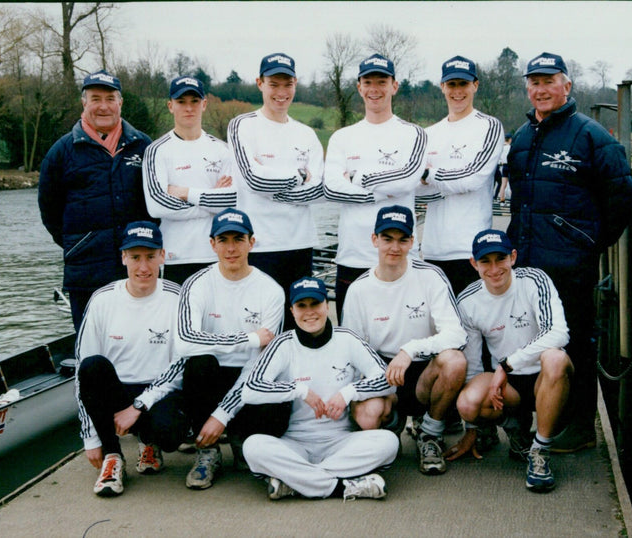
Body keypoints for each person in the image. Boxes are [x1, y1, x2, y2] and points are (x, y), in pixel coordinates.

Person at [506, 52, 632, 452]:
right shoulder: (523, 138)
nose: (541, 89)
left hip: (570, 269)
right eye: (534, 82)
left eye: (549, 81)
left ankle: (579, 428)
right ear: (528, 88)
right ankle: (537, 420)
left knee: (574, 344)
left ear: (567, 85)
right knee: (529, 344)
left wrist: (587, 245)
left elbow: (620, 201)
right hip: (527, 267)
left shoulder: (592, 137)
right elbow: (518, 203)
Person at [241, 276, 399, 501]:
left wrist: (348, 393)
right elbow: (251, 389)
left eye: (315, 304)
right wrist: (299, 390)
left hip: (341, 441)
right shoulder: (282, 344)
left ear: (327, 305)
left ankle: (297, 482)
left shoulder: (347, 339)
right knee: (253, 447)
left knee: (388, 443)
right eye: (301, 306)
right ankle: (342, 487)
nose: (309, 312)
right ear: (292, 311)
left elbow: (388, 380)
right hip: (294, 443)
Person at [341, 205, 467, 475]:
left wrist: (410, 349)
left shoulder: (431, 276)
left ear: (412, 241)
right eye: (387, 238)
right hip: (383, 372)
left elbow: (457, 334)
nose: (394, 247)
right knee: (366, 414)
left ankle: (430, 433)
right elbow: (350, 352)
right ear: (374, 240)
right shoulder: (358, 290)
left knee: (454, 361)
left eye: (402, 239)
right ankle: (391, 423)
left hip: (423, 370)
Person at [450, 229, 573, 492]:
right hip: (509, 387)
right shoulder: (468, 301)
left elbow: (559, 332)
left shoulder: (534, 280)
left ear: (513, 257)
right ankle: (516, 431)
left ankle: (540, 452)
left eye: (500, 259)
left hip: (545, 379)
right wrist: (472, 428)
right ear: (474, 264)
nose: (494, 269)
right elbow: (471, 365)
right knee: (468, 403)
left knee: (555, 358)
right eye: (485, 261)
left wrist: (507, 364)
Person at [175, 208, 290, 490]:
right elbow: (184, 342)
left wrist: (222, 415)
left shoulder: (271, 290)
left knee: (278, 405)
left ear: (252, 242)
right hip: (211, 374)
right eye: (223, 239)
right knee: (199, 362)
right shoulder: (196, 284)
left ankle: (241, 440)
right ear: (212, 244)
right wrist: (248, 339)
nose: (230, 248)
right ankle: (208, 452)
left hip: (249, 377)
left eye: (238, 239)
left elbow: (260, 364)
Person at [75, 221, 189, 497]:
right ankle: (114, 456)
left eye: (151, 257)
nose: (143, 267)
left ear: (163, 256)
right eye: (135, 257)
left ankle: (150, 441)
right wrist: (90, 437)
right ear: (123, 257)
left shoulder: (179, 297)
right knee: (92, 367)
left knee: (171, 433)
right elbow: (81, 369)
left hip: (158, 392)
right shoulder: (102, 300)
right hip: (117, 392)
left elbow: (183, 365)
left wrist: (139, 405)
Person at [39, 70, 153, 332]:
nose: (103, 106)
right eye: (96, 98)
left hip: (138, 268)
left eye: (110, 98)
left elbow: (156, 206)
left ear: (120, 102)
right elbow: (50, 211)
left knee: (141, 339)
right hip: (86, 270)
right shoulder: (62, 152)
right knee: (92, 347)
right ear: (84, 102)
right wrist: (79, 243)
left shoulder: (143, 146)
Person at [323, 53, 426, 317]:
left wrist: (357, 178)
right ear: (359, 87)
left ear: (395, 86)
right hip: (352, 257)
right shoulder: (342, 137)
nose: (375, 89)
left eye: (382, 81)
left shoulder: (414, 133)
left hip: (398, 258)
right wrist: (383, 189)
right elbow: (331, 188)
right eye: (368, 82)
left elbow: (408, 178)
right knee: (351, 340)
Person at [227, 53, 324, 327]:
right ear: (259, 83)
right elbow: (253, 180)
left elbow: (317, 192)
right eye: (274, 84)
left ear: (295, 84)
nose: (281, 93)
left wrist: (272, 184)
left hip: (300, 245)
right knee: (261, 327)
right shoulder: (242, 125)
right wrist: (299, 175)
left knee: (299, 329)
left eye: (288, 84)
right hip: (260, 247)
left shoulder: (307, 134)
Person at [416, 55, 504, 296]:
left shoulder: (489, 126)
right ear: (442, 87)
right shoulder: (428, 133)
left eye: (463, 84)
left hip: (471, 250)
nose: (457, 91)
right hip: (433, 250)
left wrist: (429, 174)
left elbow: (475, 177)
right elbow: (416, 188)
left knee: (473, 329)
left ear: (475, 85)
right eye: (451, 84)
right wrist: (447, 180)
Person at [142, 75, 236, 285]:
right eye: (181, 102)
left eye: (194, 101)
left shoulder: (222, 149)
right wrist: (212, 200)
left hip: (216, 256)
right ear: (170, 105)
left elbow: (232, 201)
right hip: (176, 257)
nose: (188, 108)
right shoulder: (156, 151)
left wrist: (185, 193)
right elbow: (157, 206)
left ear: (204, 104)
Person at [496, 133, 512, 204]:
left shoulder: (501, 148)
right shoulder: (510, 147)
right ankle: (512, 200)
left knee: (503, 184)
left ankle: (502, 200)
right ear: (510, 140)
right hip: (510, 166)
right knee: (511, 184)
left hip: (503, 166)